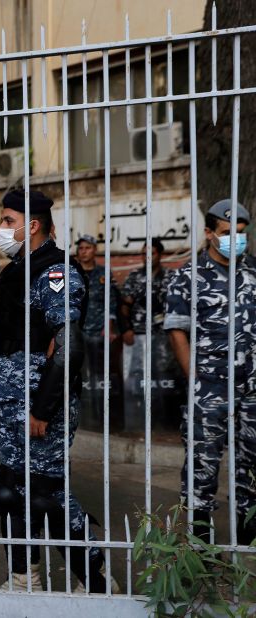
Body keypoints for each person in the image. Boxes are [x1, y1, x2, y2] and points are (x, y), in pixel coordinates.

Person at [0, 188, 113, 592]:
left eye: (8, 221)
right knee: (11, 490)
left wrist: (43, 408)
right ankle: (25, 578)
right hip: (10, 404)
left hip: (40, 405)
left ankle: (96, 580)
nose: (2, 229)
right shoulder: (17, 268)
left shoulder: (55, 272)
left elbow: (68, 344)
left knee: (45, 494)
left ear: (33, 225)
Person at [164, 200, 256, 545]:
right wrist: (195, 381)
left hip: (252, 387)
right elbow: (177, 331)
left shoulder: (253, 272)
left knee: (251, 461)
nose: (236, 239)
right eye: (228, 233)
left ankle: (248, 536)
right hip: (209, 387)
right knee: (203, 462)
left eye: (242, 234)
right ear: (208, 233)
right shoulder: (187, 276)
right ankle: (200, 541)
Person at [120, 238, 183, 432]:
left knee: (165, 380)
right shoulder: (134, 277)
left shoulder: (171, 277)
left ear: (160, 255)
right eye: (144, 253)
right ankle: (138, 423)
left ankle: (166, 423)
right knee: (138, 379)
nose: (147, 257)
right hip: (139, 337)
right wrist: (126, 329)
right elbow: (124, 306)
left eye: (152, 253)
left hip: (166, 337)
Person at [73, 234, 121, 431]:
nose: (84, 251)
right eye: (81, 248)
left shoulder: (103, 273)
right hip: (79, 330)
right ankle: (82, 417)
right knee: (80, 376)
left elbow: (111, 302)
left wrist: (108, 327)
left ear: (95, 250)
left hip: (99, 332)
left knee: (100, 377)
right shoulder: (73, 272)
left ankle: (102, 417)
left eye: (88, 248)